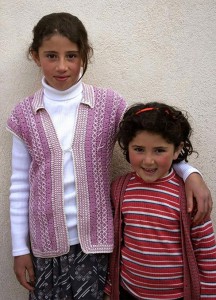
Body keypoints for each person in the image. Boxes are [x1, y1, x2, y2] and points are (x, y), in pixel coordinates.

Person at [6, 12, 212, 300]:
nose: (62, 66)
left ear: (85, 55)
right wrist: (19, 249)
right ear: (35, 55)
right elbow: (19, 184)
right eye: (51, 55)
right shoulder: (23, 114)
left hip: (97, 245)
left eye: (72, 55)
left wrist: (190, 173)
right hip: (46, 245)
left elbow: (146, 143)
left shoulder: (109, 105)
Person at [104, 102, 216, 300]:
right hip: (129, 292)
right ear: (126, 147)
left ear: (176, 150)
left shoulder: (190, 196)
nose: (148, 160)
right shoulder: (119, 189)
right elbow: (115, 242)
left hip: (176, 296)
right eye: (139, 149)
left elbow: (206, 253)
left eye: (159, 150)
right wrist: (111, 285)